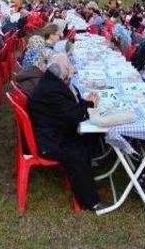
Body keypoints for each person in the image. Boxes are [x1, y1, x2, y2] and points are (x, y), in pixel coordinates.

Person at [26, 54, 103, 210]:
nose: (71, 74)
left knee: (91, 133)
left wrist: (87, 103)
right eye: (69, 69)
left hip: (50, 130)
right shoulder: (54, 88)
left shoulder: (51, 80)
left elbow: (67, 109)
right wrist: (89, 105)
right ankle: (91, 202)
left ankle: (91, 164)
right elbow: (72, 116)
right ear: (62, 72)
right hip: (49, 141)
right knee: (77, 150)